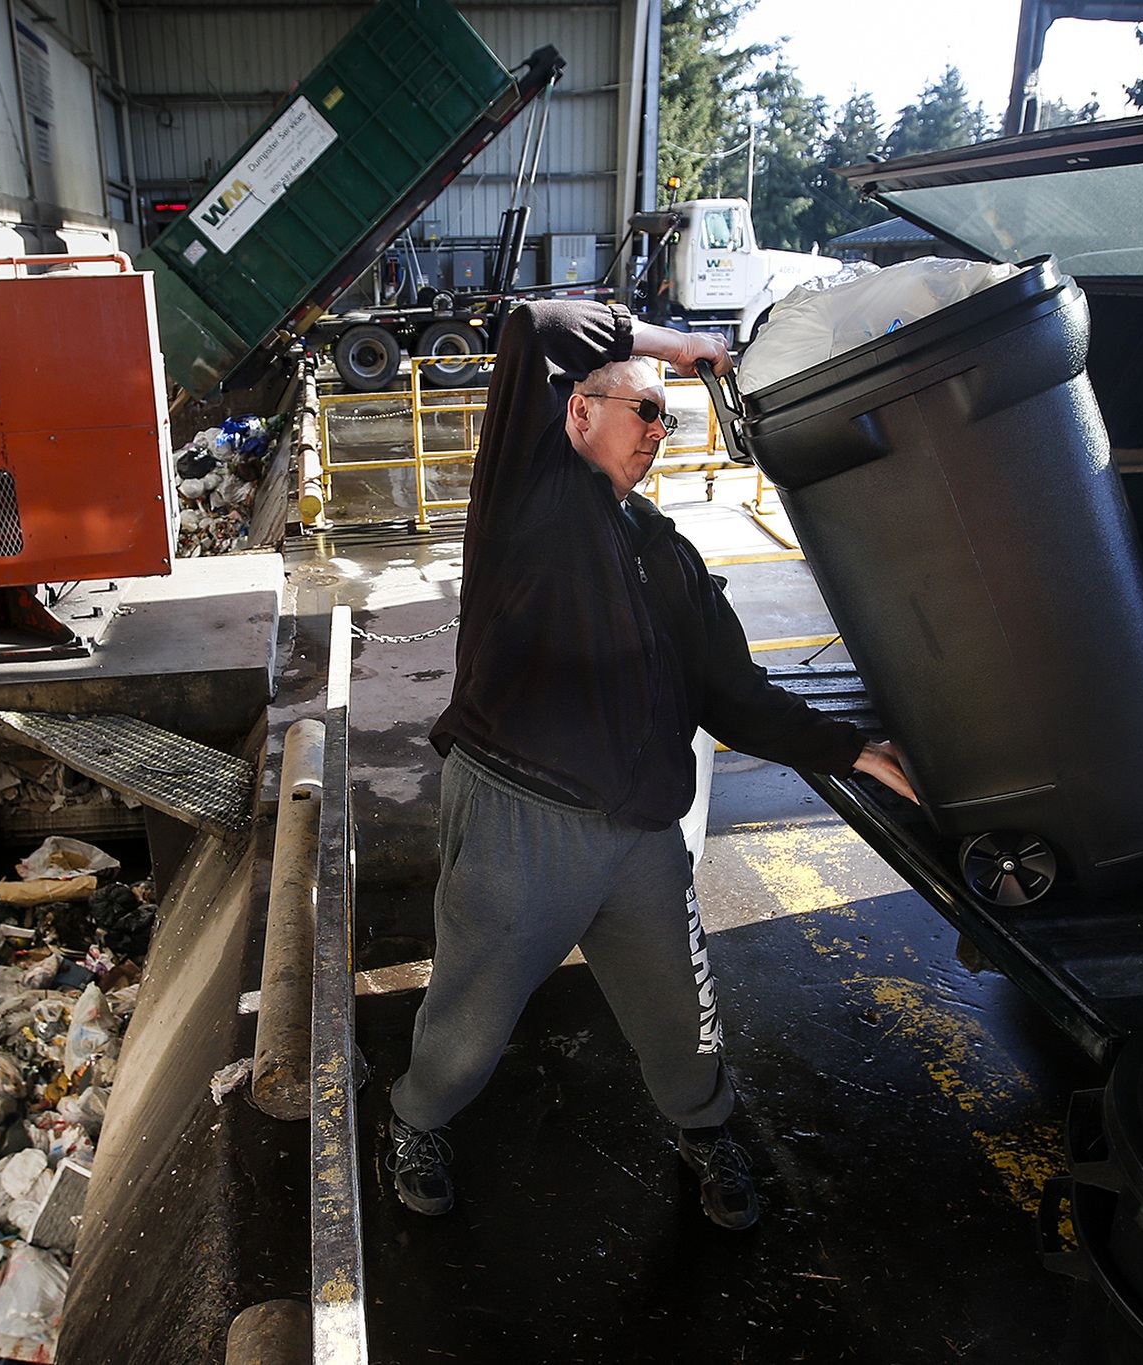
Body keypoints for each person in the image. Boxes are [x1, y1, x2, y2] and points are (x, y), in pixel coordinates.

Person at [387, 299, 915, 1230]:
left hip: (642, 831)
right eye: (646, 410)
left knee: (681, 1006)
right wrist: (674, 344)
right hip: (523, 814)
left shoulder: (667, 553)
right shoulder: (527, 498)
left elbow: (734, 694)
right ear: (579, 414)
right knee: (472, 1011)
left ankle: (707, 1132)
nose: (661, 434)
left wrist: (858, 751)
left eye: (670, 415)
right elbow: (530, 328)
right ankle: (417, 1119)